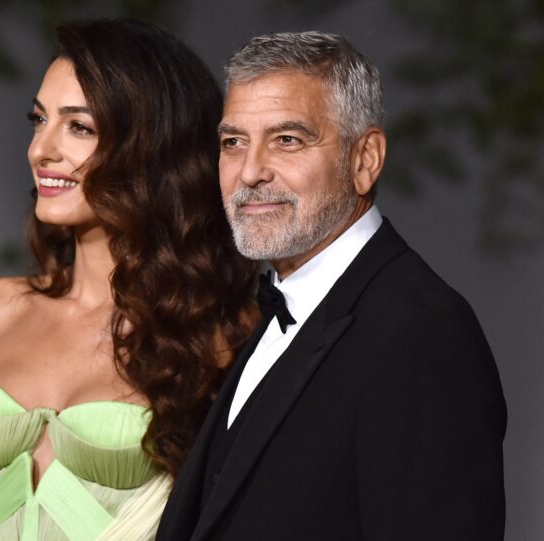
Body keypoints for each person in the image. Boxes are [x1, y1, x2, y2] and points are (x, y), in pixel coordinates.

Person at [157, 31, 507, 540]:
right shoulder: (284, 308)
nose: (250, 172)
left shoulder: (421, 331)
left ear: (364, 159)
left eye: (287, 140)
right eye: (234, 142)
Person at [0, 19, 258, 541]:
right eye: (38, 120)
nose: (40, 150)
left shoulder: (220, 337)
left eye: (79, 127)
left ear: (153, 148)